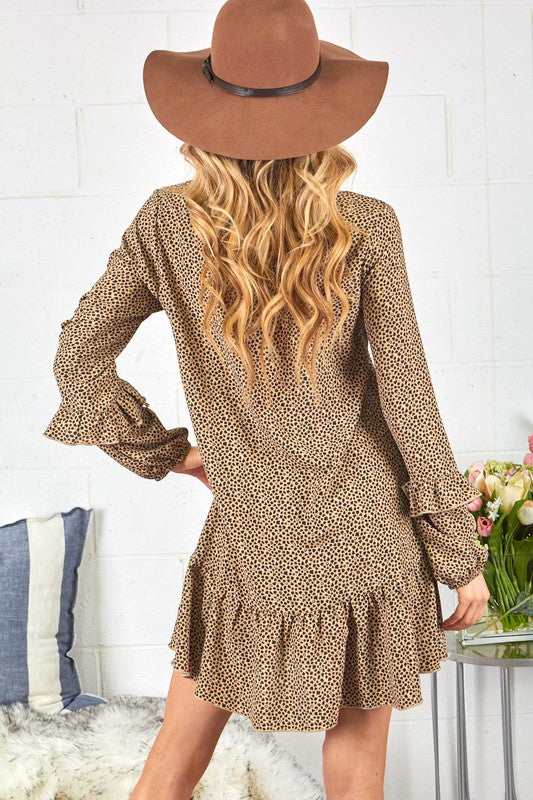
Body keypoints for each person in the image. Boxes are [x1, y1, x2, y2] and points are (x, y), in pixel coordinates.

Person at [42, 1, 490, 798]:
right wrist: (458, 558)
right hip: (366, 530)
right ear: (322, 110)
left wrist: (173, 456)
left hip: (250, 532)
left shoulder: (167, 223)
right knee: (356, 776)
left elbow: (78, 356)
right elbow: (409, 398)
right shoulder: (366, 227)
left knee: (169, 768)